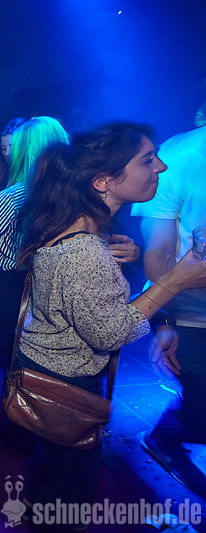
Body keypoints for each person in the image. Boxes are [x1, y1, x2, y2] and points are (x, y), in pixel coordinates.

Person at [14, 122, 206, 526]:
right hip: (64, 385)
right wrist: (175, 281)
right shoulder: (84, 249)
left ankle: (32, 508)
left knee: (50, 466)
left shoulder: (80, 227)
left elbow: (92, 294)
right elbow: (111, 332)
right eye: (148, 160)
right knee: (72, 499)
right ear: (103, 181)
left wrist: (130, 264)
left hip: (46, 369)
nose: (162, 167)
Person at [132, 121, 206, 495]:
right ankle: (162, 437)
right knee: (201, 408)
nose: (154, 165)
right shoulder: (177, 156)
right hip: (192, 316)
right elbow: (158, 251)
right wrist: (165, 322)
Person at [0, 117, 70, 369]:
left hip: (17, 285)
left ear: (25, 150)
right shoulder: (73, 193)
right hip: (62, 282)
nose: (10, 152)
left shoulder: (12, 197)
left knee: (18, 360)